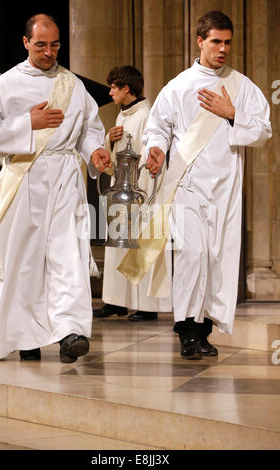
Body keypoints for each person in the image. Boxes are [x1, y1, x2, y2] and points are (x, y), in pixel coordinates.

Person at [138, 10, 272, 358]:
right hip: (187, 185)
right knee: (191, 255)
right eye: (216, 41)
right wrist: (154, 149)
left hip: (226, 187)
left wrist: (233, 114)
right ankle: (186, 330)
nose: (223, 49)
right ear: (200, 41)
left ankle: (204, 331)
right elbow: (158, 128)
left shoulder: (242, 87)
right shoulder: (178, 86)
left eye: (228, 42)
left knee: (215, 259)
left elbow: (263, 131)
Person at [0, 14, 111, 362]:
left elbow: (89, 129)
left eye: (54, 45)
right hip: (24, 178)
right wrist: (28, 124)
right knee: (24, 260)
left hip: (66, 176)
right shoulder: (5, 85)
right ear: (25, 43)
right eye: (41, 45)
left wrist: (95, 150)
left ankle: (71, 332)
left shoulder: (73, 85)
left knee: (67, 255)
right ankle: (25, 338)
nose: (49, 52)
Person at [94, 66, 173, 321]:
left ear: (126, 89)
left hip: (139, 192)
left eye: (113, 88)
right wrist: (109, 140)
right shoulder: (122, 117)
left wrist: (144, 196)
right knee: (118, 247)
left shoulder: (146, 116)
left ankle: (147, 307)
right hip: (121, 190)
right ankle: (117, 302)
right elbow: (113, 160)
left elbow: (150, 157)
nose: (110, 93)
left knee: (139, 246)